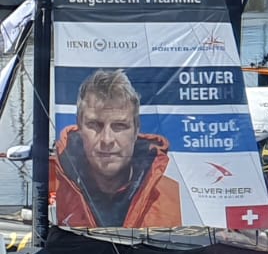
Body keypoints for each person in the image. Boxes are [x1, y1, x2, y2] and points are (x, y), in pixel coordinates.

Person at [52, 70, 182, 229]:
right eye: (94, 125)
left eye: (119, 126)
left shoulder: (173, 196)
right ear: (79, 127)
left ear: (136, 131)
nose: (107, 139)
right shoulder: (54, 190)